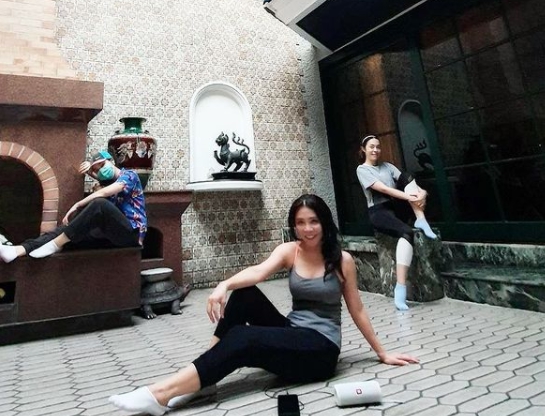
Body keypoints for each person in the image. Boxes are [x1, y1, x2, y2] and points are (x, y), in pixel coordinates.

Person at [109, 193, 418, 416]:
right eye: (300, 223)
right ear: (294, 225)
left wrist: (382, 353)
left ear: (324, 223)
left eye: (313, 221)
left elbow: (357, 309)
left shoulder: (342, 260)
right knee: (245, 295)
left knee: (244, 338)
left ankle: (160, 394)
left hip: (320, 350)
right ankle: (204, 377)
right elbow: (257, 272)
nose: (308, 229)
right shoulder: (290, 251)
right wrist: (224, 285)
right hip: (293, 330)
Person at [0, 151, 147, 263]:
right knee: (65, 228)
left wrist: (77, 204)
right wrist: (90, 171)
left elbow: (104, 193)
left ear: (111, 161)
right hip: (111, 236)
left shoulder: (130, 176)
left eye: (103, 165)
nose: (101, 171)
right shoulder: (107, 183)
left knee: (99, 204)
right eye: (97, 170)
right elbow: (104, 183)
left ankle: (56, 244)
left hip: (132, 236)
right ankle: (18, 250)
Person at [356, 135, 436, 311]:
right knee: (407, 232)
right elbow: (384, 189)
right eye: (371, 147)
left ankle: (421, 220)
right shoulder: (362, 169)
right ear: (363, 149)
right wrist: (410, 197)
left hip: (396, 206)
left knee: (407, 176)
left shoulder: (388, 166)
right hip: (379, 211)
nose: (375, 150)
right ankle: (400, 289)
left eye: (378, 146)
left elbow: (408, 182)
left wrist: (422, 193)